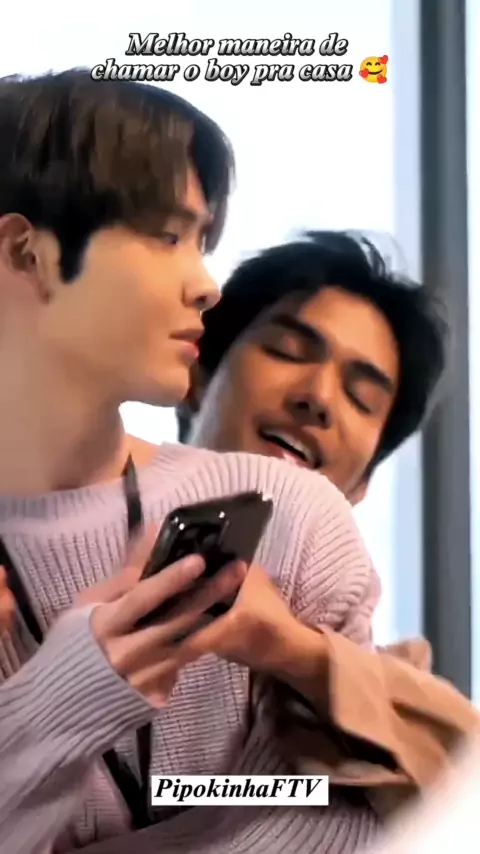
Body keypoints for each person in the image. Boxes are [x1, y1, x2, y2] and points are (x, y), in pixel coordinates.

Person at [0, 71, 386, 854]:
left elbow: (345, 818)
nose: (207, 285)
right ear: (25, 252)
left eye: (203, 242)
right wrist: (66, 692)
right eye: (168, 237)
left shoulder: (290, 518)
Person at [178, 230, 480, 813]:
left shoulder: (391, 697)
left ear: (362, 484)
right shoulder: (40, 581)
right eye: (288, 351)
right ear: (198, 376)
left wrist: (295, 654)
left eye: (361, 398)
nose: (317, 397)